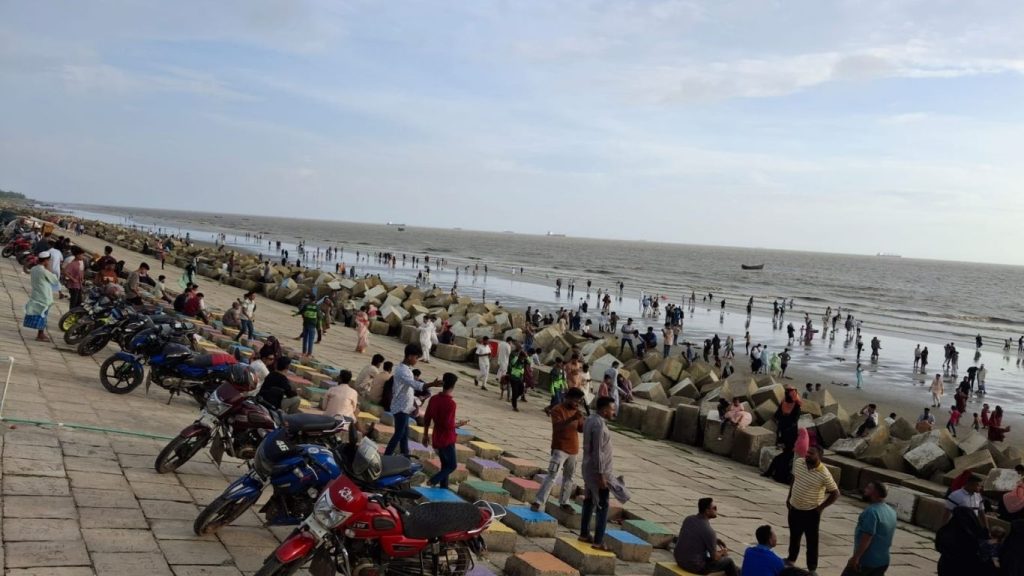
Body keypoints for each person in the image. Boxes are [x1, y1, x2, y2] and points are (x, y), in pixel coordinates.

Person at [786, 446, 839, 574]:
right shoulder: (799, 463)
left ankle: (812, 568)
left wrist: (820, 508)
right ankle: (791, 559)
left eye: (811, 453)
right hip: (794, 507)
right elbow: (794, 479)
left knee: (812, 541)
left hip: (811, 512)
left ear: (819, 456)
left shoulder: (824, 473)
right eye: (807, 452)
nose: (807, 454)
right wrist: (789, 497)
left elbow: (835, 493)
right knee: (794, 536)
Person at [532, 388, 586, 512]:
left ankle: (564, 502)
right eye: (575, 401)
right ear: (568, 398)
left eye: (579, 402)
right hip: (560, 448)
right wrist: (572, 418)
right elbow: (557, 427)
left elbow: (580, 429)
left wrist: (585, 421)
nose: (577, 404)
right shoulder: (557, 409)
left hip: (573, 449)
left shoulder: (576, 411)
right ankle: (538, 501)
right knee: (552, 475)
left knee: (569, 477)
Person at [384, 344, 441, 457]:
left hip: (405, 407)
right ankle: (386, 456)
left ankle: (405, 456)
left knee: (404, 434)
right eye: (416, 358)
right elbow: (414, 384)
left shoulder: (407, 369)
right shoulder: (403, 371)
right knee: (399, 434)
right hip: (400, 407)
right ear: (410, 356)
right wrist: (432, 384)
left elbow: (411, 388)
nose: (417, 360)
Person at [580, 396, 615, 551]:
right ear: (605, 410)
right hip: (598, 471)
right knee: (603, 505)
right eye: (612, 409)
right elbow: (598, 452)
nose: (613, 412)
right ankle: (599, 540)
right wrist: (601, 475)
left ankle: (584, 533)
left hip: (588, 468)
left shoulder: (590, 419)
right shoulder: (599, 425)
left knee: (589, 500)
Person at [422, 373, 469, 488]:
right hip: (447, 438)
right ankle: (433, 480)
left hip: (436, 436)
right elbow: (448, 425)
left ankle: (444, 487)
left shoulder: (434, 399)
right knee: (452, 466)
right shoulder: (451, 404)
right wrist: (459, 424)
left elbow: (427, 418)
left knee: (445, 465)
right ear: (453, 386)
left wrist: (425, 435)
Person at [674, 498, 739, 576]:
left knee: (735, 568)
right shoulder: (709, 531)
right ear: (707, 511)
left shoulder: (689, 519)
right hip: (694, 566)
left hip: (679, 560)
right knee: (729, 562)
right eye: (714, 508)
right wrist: (723, 552)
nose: (716, 510)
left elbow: (697, 535)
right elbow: (715, 557)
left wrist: (715, 540)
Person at [846, 482, 897, 576]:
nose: (865, 490)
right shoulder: (891, 511)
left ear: (875, 493)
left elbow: (867, 538)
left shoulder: (871, 512)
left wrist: (856, 558)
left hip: (866, 561)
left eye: (868, 488)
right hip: (883, 561)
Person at [23, 251, 58, 341]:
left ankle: (40, 333)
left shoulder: (34, 269)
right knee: (43, 315)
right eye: (48, 260)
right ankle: (40, 335)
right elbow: (55, 280)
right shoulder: (44, 271)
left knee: (40, 313)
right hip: (44, 296)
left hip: (36, 294)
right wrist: (49, 268)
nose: (49, 262)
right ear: (46, 260)